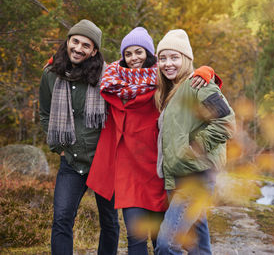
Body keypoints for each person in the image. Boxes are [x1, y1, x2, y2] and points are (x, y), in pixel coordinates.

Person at [86, 27, 216, 255]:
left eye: (139, 52)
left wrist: (206, 71)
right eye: (128, 53)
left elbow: (194, 87)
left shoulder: (162, 81)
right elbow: (81, 74)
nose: (134, 58)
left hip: (161, 172)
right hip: (129, 171)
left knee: (164, 240)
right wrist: (58, 66)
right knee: (135, 237)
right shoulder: (112, 83)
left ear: (149, 54)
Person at [39, 19, 119, 255]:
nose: (78, 48)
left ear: (94, 51)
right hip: (71, 162)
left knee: (110, 222)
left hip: (103, 162)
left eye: (86, 45)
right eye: (75, 41)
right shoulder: (51, 74)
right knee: (62, 219)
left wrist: (202, 73)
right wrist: (59, 148)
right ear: (68, 41)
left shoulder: (108, 75)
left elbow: (144, 73)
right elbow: (45, 113)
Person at [154, 29, 236, 254]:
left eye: (174, 57)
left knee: (166, 244)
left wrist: (195, 148)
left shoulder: (198, 84)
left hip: (196, 178)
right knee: (198, 247)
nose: (167, 63)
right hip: (178, 179)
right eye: (162, 58)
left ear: (186, 59)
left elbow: (226, 122)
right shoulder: (171, 91)